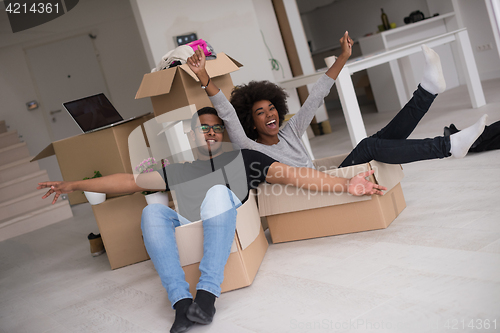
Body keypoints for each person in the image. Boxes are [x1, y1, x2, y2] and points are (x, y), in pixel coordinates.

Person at [38, 108, 386, 333]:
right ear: (191, 135)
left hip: (222, 215)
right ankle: (180, 303)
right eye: (202, 129)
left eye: (216, 128)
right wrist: (74, 184)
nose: (210, 133)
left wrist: (345, 183)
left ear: (223, 133)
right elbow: (129, 181)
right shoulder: (180, 169)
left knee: (218, 194)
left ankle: (206, 296)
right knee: (151, 211)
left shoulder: (246, 158)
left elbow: (293, 176)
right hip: (190, 225)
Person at [187, 32, 488, 169]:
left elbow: (316, 97)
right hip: (317, 191)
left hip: (327, 178)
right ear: (250, 123)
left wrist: (343, 57)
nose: (270, 114)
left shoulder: (289, 132)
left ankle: (428, 91)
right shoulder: (248, 146)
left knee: (376, 141)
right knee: (370, 146)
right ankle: (446, 146)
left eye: (272, 108)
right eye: (260, 112)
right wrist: (203, 77)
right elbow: (225, 112)